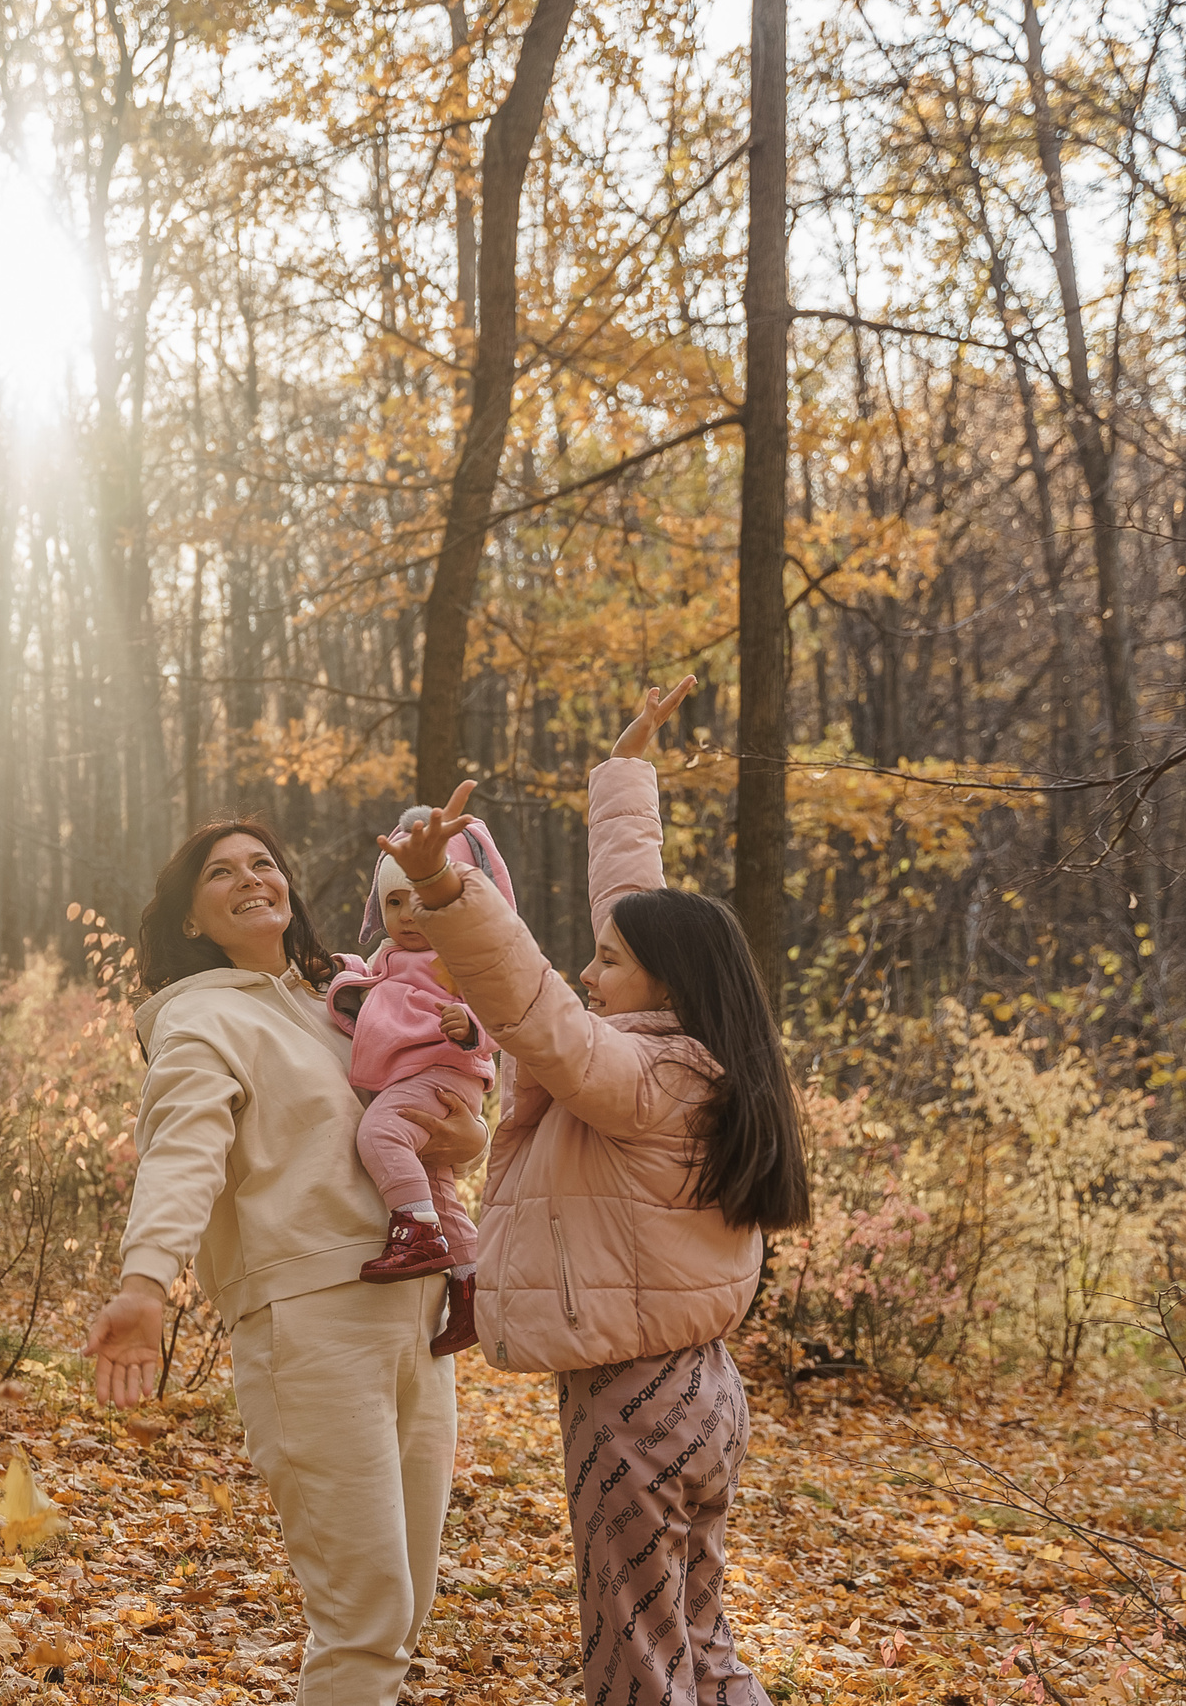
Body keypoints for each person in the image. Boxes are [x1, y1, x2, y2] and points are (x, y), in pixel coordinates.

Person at [384, 678, 811, 1706]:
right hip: (698, 1386)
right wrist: (625, 774)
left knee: (636, 1661)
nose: (589, 968)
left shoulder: (641, 1082)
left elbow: (534, 1009)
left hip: (633, 1399)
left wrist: (444, 893)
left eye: (610, 964)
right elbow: (635, 910)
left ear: (663, 984)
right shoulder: (698, 1060)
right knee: (695, 1642)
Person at [81, 819, 489, 1705]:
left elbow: (439, 1112)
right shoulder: (199, 1019)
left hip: (418, 1319)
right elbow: (181, 1150)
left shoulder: (348, 999)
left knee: (406, 1612)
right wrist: (145, 1281)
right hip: (311, 1329)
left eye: (265, 861)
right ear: (192, 918)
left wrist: (473, 1133)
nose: (251, 877)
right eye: (221, 872)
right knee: (366, 1620)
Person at [325, 809, 518, 1355]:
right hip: (415, 1078)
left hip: (443, 1074)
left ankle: (417, 1235)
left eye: (417, 896)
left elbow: (505, 1011)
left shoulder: (459, 956)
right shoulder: (389, 956)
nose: (406, 914)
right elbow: (367, 985)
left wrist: (471, 1028)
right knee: (439, 1189)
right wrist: (341, 975)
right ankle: (471, 1292)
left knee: (378, 1136)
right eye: (392, 901)